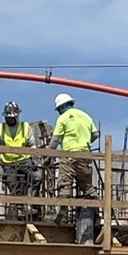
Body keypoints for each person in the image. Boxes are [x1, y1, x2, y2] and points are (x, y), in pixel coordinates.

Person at [48, 93, 98, 238]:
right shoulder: (85, 116)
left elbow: (56, 139)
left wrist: (47, 154)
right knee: (87, 186)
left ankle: (61, 214)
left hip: (69, 154)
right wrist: (84, 141)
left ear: (62, 107)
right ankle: (97, 212)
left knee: (65, 183)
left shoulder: (62, 118)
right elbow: (95, 134)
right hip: (85, 155)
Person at [0, 101, 41, 217]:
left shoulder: (25, 127)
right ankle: (19, 208)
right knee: (13, 184)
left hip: (24, 160)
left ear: (17, 116)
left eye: (12, 117)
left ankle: (34, 204)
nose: (10, 120)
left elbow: (32, 145)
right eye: (8, 118)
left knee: (37, 177)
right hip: (8, 163)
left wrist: (35, 159)